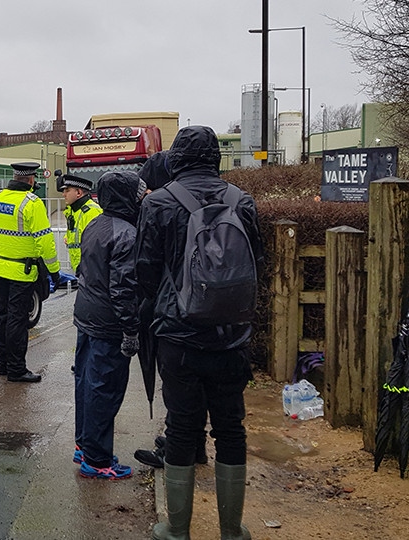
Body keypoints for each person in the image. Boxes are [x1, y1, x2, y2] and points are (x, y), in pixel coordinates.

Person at [135, 126, 263, 540]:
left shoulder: (158, 203)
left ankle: (178, 529)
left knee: (182, 427)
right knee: (230, 427)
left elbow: (145, 272)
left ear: (177, 159)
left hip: (178, 336)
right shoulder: (242, 202)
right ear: (216, 159)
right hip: (231, 335)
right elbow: (257, 264)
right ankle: (231, 530)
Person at [133, 150, 209, 470]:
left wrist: (154, 302)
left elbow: (146, 268)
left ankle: (179, 448)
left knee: (177, 386)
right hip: (217, 310)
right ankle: (194, 444)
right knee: (201, 386)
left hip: (175, 312)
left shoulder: (160, 206)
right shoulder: (226, 198)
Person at [71, 170, 145, 480]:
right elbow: (123, 288)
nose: (141, 198)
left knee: (86, 382)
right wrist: (130, 329)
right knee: (105, 389)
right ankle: (98, 459)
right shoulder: (126, 233)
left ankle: (85, 446)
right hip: (108, 324)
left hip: (86, 316)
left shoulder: (95, 224)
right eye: (138, 193)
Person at [0, 162, 60, 383]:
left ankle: (3, 364)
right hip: (23, 271)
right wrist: (55, 271)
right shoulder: (32, 203)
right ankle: (17, 369)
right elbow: (45, 242)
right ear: (31, 179)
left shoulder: (0, 198)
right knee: (17, 321)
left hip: (2, 267)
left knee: (3, 318)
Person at [59, 174, 102, 272]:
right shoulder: (73, 210)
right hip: (82, 269)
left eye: (67, 191)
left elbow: (97, 245)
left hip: (92, 269)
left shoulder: (91, 212)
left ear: (78, 193)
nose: (63, 194)